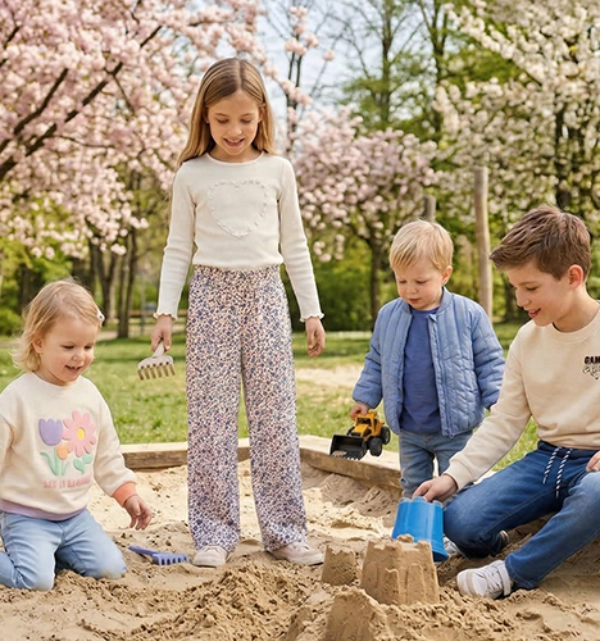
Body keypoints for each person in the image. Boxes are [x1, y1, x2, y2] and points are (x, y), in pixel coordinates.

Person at [151, 58, 326, 568]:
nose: (234, 130)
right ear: (205, 116)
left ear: (262, 116)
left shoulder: (278, 170)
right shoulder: (191, 175)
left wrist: (309, 311)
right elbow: (176, 249)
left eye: (245, 119)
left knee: (275, 417)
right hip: (209, 298)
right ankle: (213, 532)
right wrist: (166, 312)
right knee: (210, 419)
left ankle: (285, 529)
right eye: (222, 119)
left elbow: (295, 245)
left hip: (267, 296)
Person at [415, 205, 600, 599]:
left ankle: (512, 573)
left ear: (573, 277)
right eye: (515, 287)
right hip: (548, 460)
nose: (520, 300)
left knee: (597, 493)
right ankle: (503, 538)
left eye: (530, 288)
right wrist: (453, 477)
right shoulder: (527, 341)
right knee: (461, 522)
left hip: (596, 464)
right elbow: (504, 422)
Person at [0, 280, 153, 591]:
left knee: (111, 569)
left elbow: (106, 453)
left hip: (74, 517)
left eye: (88, 346)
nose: (80, 356)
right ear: (38, 342)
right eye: (68, 347)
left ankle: (52, 554)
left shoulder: (90, 396)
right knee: (36, 581)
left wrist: (128, 494)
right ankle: (38, 558)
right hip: (26, 517)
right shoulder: (16, 398)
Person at [351, 219, 505, 511]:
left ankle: (457, 534)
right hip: (409, 427)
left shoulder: (469, 314)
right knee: (413, 485)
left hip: (454, 429)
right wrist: (365, 398)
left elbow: (490, 362)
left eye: (420, 281)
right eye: (402, 281)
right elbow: (376, 360)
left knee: (458, 485)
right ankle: (415, 536)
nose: (410, 290)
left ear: (445, 274)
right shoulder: (389, 316)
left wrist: (498, 400)